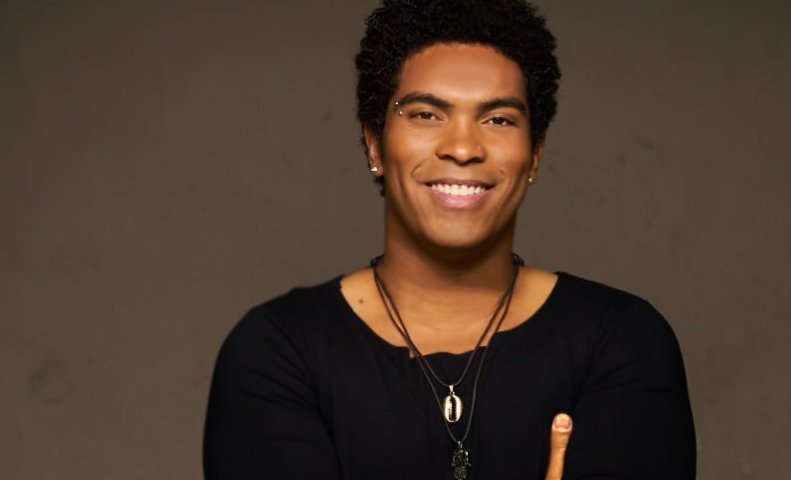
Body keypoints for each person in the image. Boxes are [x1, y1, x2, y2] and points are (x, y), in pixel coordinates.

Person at [203, 0, 696, 478]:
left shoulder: (621, 340)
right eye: (425, 114)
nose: (462, 148)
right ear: (375, 144)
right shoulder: (277, 350)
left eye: (498, 119)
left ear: (535, 154)